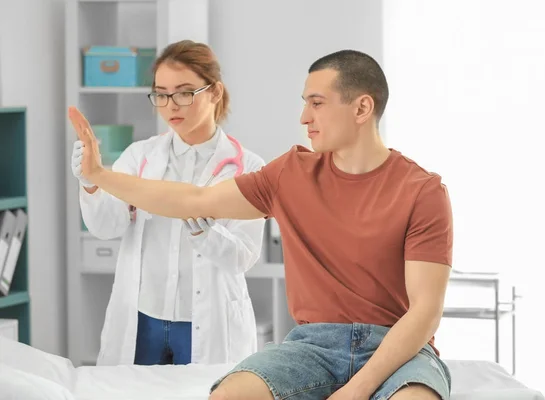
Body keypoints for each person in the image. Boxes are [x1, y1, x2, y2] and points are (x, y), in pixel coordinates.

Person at [69, 49, 453, 399]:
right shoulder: (290, 174)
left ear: (362, 107)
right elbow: (193, 200)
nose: (304, 117)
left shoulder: (423, 192)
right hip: (311, 347)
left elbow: (424, 313)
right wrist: (98, 176)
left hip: (397, 347)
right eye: (305, 103)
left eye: (317, 104)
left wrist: (358, 389)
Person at [71, 40, 266, 367]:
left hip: (206, 319)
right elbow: (106, 227)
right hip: (142, 316)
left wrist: (204, 230)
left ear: (215, 92)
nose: (171, 105)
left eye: (184, 92)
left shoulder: (249, 167)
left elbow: (243, 257)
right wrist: (91, 182)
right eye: (160, 93)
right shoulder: (139, 156)